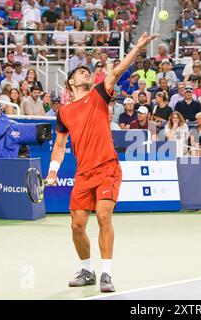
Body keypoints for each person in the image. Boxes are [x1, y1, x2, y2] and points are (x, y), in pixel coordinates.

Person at [46, 32, 157, 292]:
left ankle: (106, 273)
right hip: (83, 174)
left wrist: (138, 47)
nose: (86, 73)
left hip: (107, 167)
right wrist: (52, 171)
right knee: (76, 226)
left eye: (88, 71)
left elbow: (117, 70)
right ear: (70, 82)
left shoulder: (99, 94)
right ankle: (87, 270)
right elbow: (60, 146)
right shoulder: (64, 112)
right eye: (81, 72)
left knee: (104, 216)